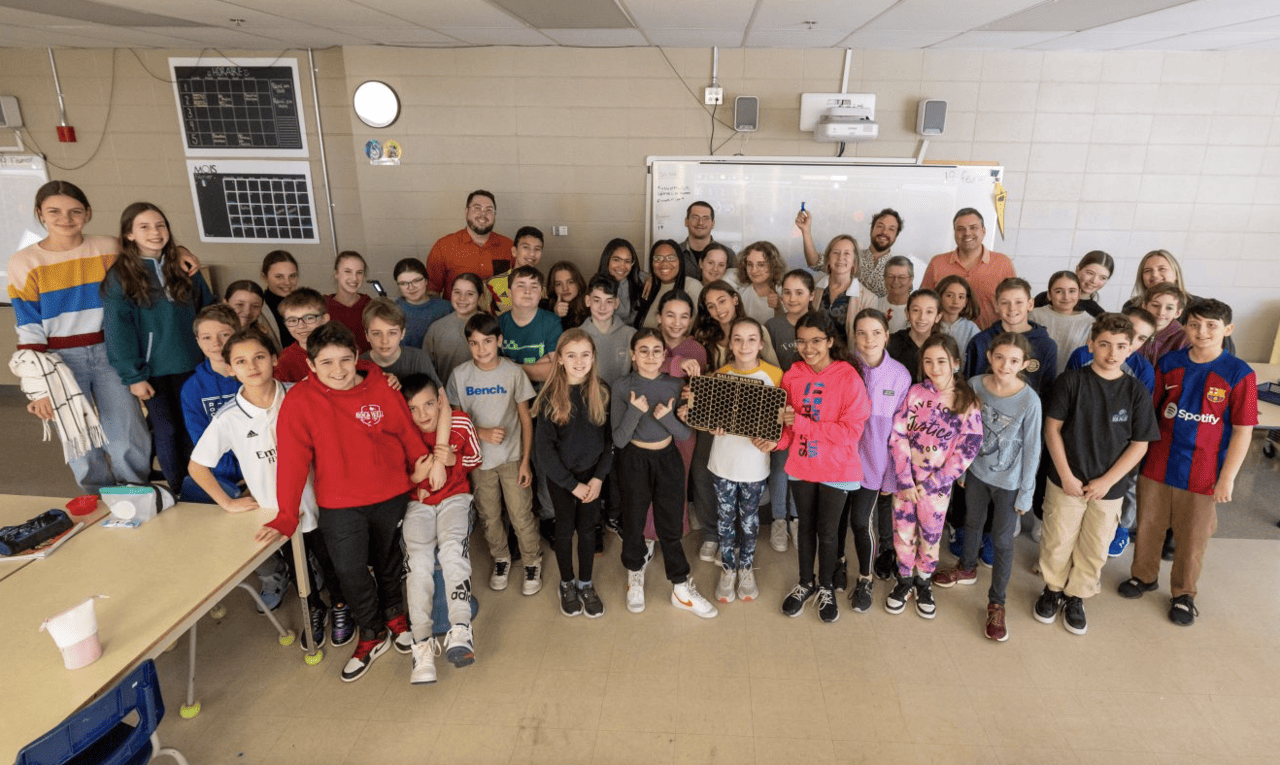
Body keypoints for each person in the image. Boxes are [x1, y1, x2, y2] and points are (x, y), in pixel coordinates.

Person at [265, 321, 427, 682]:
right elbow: (292, 462)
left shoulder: (381, 386)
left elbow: (405, 431)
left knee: (388, 560)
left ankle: (394, 615)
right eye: (326, 362)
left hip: (390, 493)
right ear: (311, 365)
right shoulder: (300, 400)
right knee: (350, 570)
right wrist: (286, 514)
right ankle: (371, 632)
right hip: (339, 502)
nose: (338, 370)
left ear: (356, 356)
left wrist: (422, 469)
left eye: (344, 360)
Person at [187, 325, 349, 649]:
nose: (252, 366)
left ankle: (342, 606)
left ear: (275, 358)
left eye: (259, 357)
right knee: (298, 569)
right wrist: (228, 503)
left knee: (332, 560)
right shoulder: (228, 418)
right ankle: (314, 608)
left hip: (321, 501)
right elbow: (197, 467)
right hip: (275, 511)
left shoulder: (301, 393)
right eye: (241, 361)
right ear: (230, 369)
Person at [8, 181, 153, 492]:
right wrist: (38, 389)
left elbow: (150, 249)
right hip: (60, 361)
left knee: (127, 431)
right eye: (54, 211)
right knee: (78, 437)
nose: (66, 218)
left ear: (87, 213)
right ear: (40, 214)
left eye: (75, 211)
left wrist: (182, 252)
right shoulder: (24, 262)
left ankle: (135, 492)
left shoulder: (108, 248)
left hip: (111, 351)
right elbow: (28, 325)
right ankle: (96, 498)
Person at [1121, 299, 1257, 627]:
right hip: (1158, 462)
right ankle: (1143, 576)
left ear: (1227, 329)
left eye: (1211, 325)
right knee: (1149, 525)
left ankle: (1184, 593)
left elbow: (1243, 431)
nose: (1202, 331)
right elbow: (1152, 412)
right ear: (1184, 327)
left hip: (1204, 472)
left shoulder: (1240, 373)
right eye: (1194, 324)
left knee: (1193, 536)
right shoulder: (1170, 363)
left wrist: (1227, 478)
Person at [1037, 314, 1158, 636]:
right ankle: (1052, 589)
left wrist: (1107, 481)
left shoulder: (1135, 391)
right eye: (1104, 344)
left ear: (1130, 349)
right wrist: (1066, 475)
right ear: (1090, 345)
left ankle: (1077, 596)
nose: (1112, 352)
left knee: (1095, 545)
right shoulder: (1071, 381)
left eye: (1120, 346)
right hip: (1067, 480)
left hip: (1109, 487)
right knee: (1058, 539)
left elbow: (1140, 444)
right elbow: (1052, 430)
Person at [933, 333, 1042, 642]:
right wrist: (963, 468)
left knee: (1003, 541)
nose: (1005, 366)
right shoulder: (976, 385)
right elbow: (964, 429)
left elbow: (1033, 447)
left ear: (1024, 364)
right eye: (1000, 358)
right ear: (990, 356)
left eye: (1014, 361)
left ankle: (997, 602)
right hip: (978, 473)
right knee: (972, 522)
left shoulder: (1030, 401)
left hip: (1009, 483)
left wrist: (1026, 492)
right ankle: (967, 567)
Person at [103, 202, 216, 492]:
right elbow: (118, 331)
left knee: (194, 425)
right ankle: (179, 489)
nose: (155, 232)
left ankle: (202, 486)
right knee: (167, 430)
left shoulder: (185, 267)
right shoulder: (120, 276)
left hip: (192, 364)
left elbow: (208, 310)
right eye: (144, 227)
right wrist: (133, 376)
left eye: (160, 225)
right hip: (152, 370)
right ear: (129, 234)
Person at [773, 311, 871, 624]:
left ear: (830, 341)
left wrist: (802, 424)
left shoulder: (848, 377)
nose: (808, 348)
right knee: (805, 527)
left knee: (828, 533)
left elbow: (850, 432)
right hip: (802, 465)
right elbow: (786, 427)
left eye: (816, 341)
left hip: (837, 469)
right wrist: (773, 442)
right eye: (801, 341)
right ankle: (806, 582)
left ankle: (826, 586)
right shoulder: (793, 375)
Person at [612, 329, 716, 617]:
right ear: (633, 355)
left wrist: (667, 418)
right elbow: (619, 439)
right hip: (634, 460)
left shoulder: (674, 385)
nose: (650, 356)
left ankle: (680, 587)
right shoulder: (622, 386)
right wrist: (634, 412)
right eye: (643, 351)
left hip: (668, 459)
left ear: (664, 355)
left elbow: (684, 433)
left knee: (670, 523)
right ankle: (634, 574)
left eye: (656, 351)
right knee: (634, 521)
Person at [886, 334, 984, 619]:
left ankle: (923, 581)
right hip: (906, 483)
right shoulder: (915, 393)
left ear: (955, 363)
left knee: (930, 534)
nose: (934, 367)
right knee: (903, 531)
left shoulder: (966, 401)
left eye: (942, 361)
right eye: (928, 361)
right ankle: (904, 579)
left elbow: (967, 449)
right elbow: (898, 434)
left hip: (936, 489)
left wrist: (932, 483)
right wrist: (905, 479)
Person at [446, 313, 542, 594]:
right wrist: (481, 433)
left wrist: (526, 461)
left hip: (512, 459)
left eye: (487, 341)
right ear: (468, 345)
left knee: (521, 514)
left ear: (499, 341)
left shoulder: (513, 373)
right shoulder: (459, 375)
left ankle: (531, 561)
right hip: (478, 461)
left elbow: (525, 419)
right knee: (489, 515)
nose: (481, 349)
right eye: (474, 343)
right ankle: (501, 558)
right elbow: (455, 422)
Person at [399, 373, 482, 683]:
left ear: (440, 401)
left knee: (450, 550)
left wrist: (451, 461)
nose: (423, 415)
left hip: (455, 499)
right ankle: (421, 644)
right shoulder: (402, 431)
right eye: (413, 408)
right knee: (419, 564)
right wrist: (414, 481)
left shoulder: (459, 422)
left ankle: (461, 628)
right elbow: (393, 475)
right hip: (418, 504)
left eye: (429, 405)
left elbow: (476, 458)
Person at [533, 330, 613, 618]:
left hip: (592, 478)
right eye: (571, 355)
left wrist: (598, 478)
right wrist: (571, 485)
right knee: (565, 530)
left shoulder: (602, 392)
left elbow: (609, 441)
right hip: (563, 480)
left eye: (585, 354)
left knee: (589, 531)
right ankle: (567, 583)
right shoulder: (550, 397)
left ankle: (586, 583)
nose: (579, 361)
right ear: (560, 360)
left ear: (593, 357)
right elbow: (544, 451)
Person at [704, 317, 781, 604]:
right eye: (737, 339)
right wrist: (712, 426)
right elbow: (709, 418)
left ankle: (746, 567)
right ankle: (728, 568)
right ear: (730, 344)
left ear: (761, 344)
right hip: (723, 462)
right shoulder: (720, 375)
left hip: (754, 465)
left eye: (751, 339)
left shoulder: (775, 375)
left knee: (749, 521)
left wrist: (774, 439)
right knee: (725, 519)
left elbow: (782, 421)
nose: (744, 345)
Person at [845, 309, 911, 613]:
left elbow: (900, 432)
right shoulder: (846, 366)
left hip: (874, 466)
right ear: (854, 336)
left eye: (875, 332)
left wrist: (890, 475)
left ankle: (865, 578)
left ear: (887, 335)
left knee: (861, 521)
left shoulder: (900, 375)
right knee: (836, 521)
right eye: (861, 333)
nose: (868, 339)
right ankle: (838, 563)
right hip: (840, 462)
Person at [764, 269, 813, 552]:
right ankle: (779, 519)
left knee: (801, 463)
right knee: (780, 464)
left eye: (799, 293)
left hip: (811, 405)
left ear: (811, 295)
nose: (792, 299)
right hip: (779, 403)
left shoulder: (819, 323)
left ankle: (797, 517)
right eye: (787, 293)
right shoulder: (772, 325)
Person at [178, 305, 244, 504]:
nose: (216, 343)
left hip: (260, 466)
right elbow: (201, 439)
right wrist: (230, 474)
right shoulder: (192, 389)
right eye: (207, 337)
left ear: (238, 335)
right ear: (198, 340)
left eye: (224, 335)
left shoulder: (252, 375)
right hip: (220, 474)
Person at [921, 208, 1016, 330]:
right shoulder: (937, 263)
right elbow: (924, 302)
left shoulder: (1003, 263)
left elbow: (1013, 305)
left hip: (991, 337)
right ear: (954, 233)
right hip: (943, 337)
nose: (967, 233)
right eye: (961, 229)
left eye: (973, 227)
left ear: (983, 231)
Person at [964, 277, 1057, 397]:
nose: (1012, 308)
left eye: (1019, 302)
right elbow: (968, 388)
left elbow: (1047, 395)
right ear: (996, 305)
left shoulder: (1047, 346)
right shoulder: (979, 342)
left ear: (1030, 304)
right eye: (1004, 303)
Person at [798, 207, 903, 298]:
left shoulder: (899, 270)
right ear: (872, 229)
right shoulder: (850, 255)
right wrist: (806, 230)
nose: (884, 232)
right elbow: (815, 263)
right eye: (880, 226)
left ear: (896, 235)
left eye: (891, 229)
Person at [426, 190, 514, 296]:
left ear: (494, 215)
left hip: (498, 307)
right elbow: (432, 291)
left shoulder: (509, 246)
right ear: (466, 212)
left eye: (489, 210)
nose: (483, 214)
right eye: (477, 208)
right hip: (455, 307)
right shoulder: (443, 246)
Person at [498, 265, 562, 384]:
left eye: (534, 287)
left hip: (542, 391)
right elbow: (493, 368)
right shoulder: (499, 323)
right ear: (510, 292)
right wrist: (538, 367)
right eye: (521, 286)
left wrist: (511, 367)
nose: (527, 291)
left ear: (541, 293)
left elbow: (556, 369)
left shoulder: (552, 322)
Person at [361, 298, 442, 387]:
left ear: (402, 334)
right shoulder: (359, 364)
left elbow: (440, 395)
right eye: (376, 334)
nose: (385, 341)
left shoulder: (419, 359)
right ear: (367, 336)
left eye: (392, 333)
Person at [423, 272, 484, 386]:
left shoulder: (491, 325)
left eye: (470, 294)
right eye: (457, 292)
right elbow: (426, 368)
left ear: (480, 297)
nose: (462, 298)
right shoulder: (437, 328)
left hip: (485, 392)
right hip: (447, 393)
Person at [1031, 271, 1095, 376]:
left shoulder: (1090, 323)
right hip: (1035, 379)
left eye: (1072, 291)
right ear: (1049, 295)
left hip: (1070, 382)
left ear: (1079, 294)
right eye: (1059, 291)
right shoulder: (1034, 315)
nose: (1066, 297)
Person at [581, 274, 635, 388]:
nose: (602, 307)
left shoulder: (631, 335)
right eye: (597, 300)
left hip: (622, 397)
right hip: (589, 396)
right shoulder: (577, 335)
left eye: (609, 301)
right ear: (588, 301)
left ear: (616, 303)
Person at [635, 239, 701, 329]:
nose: (665, 263)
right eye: (658, 258)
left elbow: (694, 329)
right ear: (652, 263)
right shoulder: (650, 287)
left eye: (671, 258)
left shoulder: (692, 286)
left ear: (680, 261)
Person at [812, 234, 866, 338]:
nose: (840, 258)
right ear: (828, 259)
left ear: (854, 261)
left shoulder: (868, 298)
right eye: (836, 253)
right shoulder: (813, 288)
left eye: (847, 253)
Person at [393, 257, 452, 348]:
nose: (411, 287)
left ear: (426, 280)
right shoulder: (392, 310)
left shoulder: (445, 308)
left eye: (416, 281)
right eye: (403, 283)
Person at [886, 288, 941, 385]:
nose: (922, 317)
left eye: (929, 312)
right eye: (916, 310)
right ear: (907, 314)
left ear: (937, 317)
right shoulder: (892, 343)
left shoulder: (944, 346)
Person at [1034, 251, 1112, 317]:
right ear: (1078, 270)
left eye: (1103, 278)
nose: (1094, 281)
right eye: (1090, 273)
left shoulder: (1099, 314)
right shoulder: (1043, 298)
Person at [273, 288, 328, 383]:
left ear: (324, 319)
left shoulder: (343, 348)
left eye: (309, 318)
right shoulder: (285, 360)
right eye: (292, 320)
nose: (301, 326)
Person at [486, 226, 544, 314]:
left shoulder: (544, 288)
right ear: (514, 251)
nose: (532, 254)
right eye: (526, 247)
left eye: (537, 249)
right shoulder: (492, 284)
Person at [325, 251, 372, 355]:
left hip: (368, 363)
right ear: (336, 273)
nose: (354, 278)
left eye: (359, 272)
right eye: (348, 271)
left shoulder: (370, 305)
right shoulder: (323, 307)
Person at [678, 201, 735, 277]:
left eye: (706, 218)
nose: (700, 223)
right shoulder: (675, 253)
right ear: (686, 221)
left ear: (713, 224)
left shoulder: (728, 254)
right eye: (695, 217)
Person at [1137, 282, 1188, 367]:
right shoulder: (1131, 330)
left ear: (1178, 312)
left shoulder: (1184, 338)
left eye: (1169, 308)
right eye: (1155, 305)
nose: (1161, 312)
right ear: (1144, 306)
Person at [596, 238, 645, 327]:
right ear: (607, 260)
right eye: (616, 260)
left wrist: (651, 279)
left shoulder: (639, 280)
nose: (622, 266)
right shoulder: (597, 286)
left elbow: (654, 275)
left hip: (635, 333)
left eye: (627, 261)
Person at [936, 275, 981, 369]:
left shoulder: (971, 329)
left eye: (961, 297)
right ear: (939, 297)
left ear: (966, 302)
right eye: (949, 296)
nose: (955, 301)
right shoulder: (929, 324)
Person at [736, 241, 784, 324]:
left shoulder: (785, 292)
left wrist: (779, 308)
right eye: (749, 264)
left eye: (761, 265)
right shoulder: (740, 294)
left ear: (773, 266)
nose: (754, 271)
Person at [224, 280, 281, 350]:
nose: (247, 312)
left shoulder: (264, 337)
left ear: (261, 309)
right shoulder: (214, 335)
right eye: (239, 304)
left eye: (255, 306)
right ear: (225, 304)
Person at [260, 250, 299, 348]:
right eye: (279, 277)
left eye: (292, 276)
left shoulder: (306, 303)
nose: (287, 282)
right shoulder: (258, 309)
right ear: (264, 277)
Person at [547, 261, 590, 330]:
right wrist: (555, 316)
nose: (565, 288)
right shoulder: (544, 310)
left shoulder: (591, 308)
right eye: (558, 284)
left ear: (578, 283)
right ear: (553, 288)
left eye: (570, 282)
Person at [878, 257, 914, 334]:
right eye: (890, 276)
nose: (895, 281)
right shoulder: (874, 304)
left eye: (901, 277)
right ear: (885, 279)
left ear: (911, 280)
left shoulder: (917, 309)